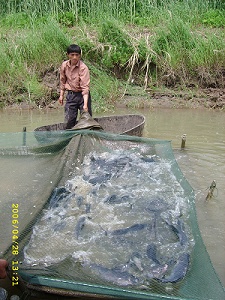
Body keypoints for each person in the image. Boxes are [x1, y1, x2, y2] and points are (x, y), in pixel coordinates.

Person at [58, 44, 92, 129]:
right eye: (72, 55)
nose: (74, 57)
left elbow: (85, 88)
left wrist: (85, 105)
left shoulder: (83, 68)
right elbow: (63, 80)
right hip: (71, 95)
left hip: (82, 96)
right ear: (68, 55)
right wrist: (61, 95)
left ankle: (86, 138)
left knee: (86, 120)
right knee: (69, 120)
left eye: (77, 55)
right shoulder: (64, 65)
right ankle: (69, 138)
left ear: (80, 56)